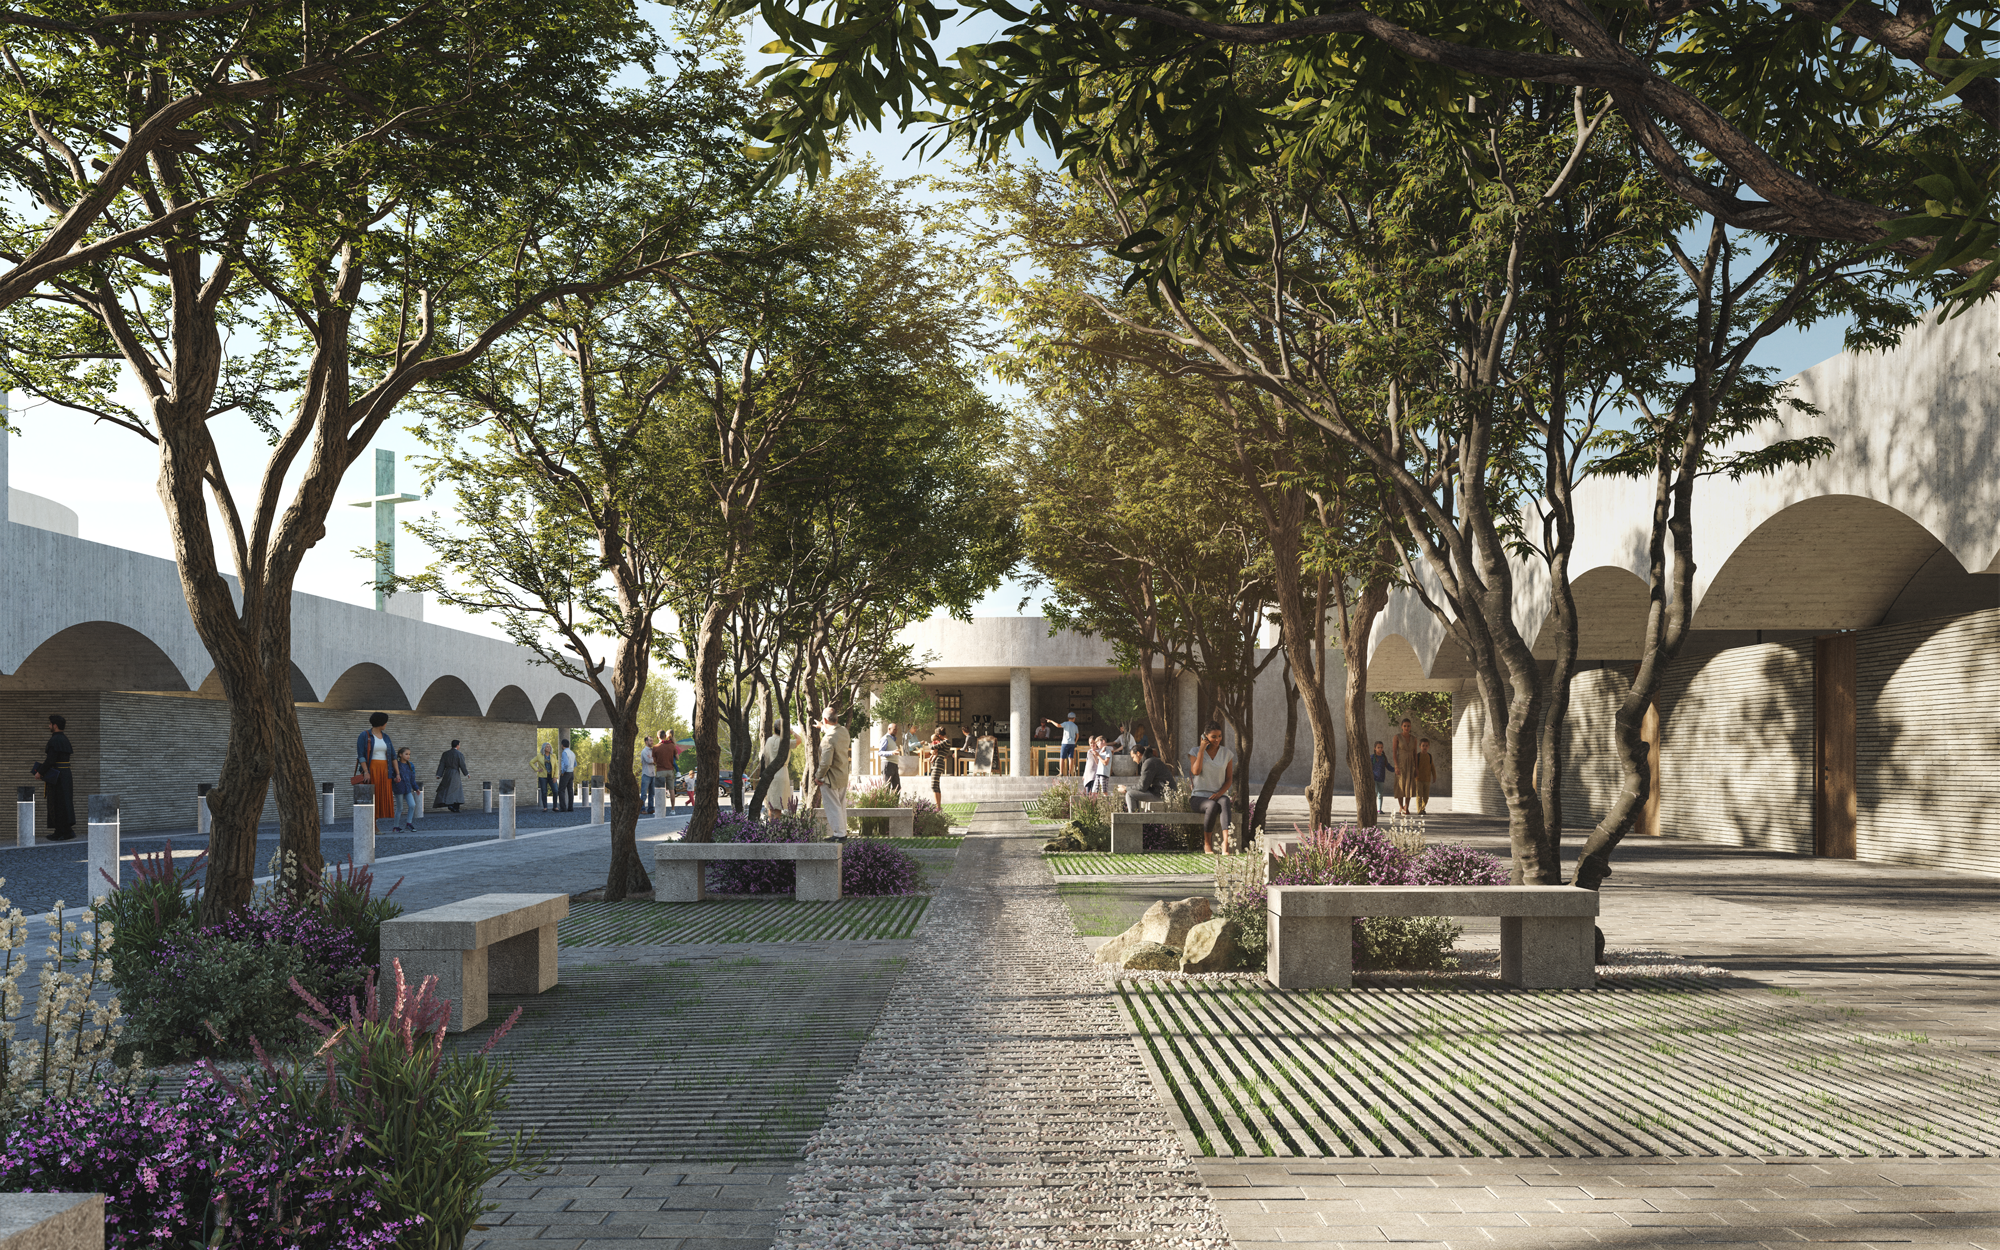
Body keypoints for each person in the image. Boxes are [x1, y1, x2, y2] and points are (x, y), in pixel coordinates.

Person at [1187, 725, 1236, 853]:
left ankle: (1226, 844)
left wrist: (1220, 793)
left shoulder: (1227, 754)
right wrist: (1201, 750)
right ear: (1205, 737)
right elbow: (1196, 772)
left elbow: (1229, 779)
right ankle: (1207, 843)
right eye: (1213, 737)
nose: (1217, 739)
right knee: (1211, 805)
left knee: (1225, 801)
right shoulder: (1194, 751)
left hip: (1218, 795)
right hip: (1199, 797)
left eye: (1219, 736)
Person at [31, 714, 76, 841]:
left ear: (55, 725)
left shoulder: (54, 740)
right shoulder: (65, 740)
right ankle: (67, 831)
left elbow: (50, 760)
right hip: (66, 775)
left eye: (50, 724)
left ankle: (60, 832)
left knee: (57, 803)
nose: (49, 726)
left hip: (57, 777)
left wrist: (40, 772)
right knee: (65, 802)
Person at [355, 712, 396, 827]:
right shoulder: (365, 735)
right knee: (374, 795)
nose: (386, 724)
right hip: (372, 769)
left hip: (385, 770)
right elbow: (361, 755)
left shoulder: (386, 737)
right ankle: (371, 825)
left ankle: (374, 822)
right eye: (385, 722)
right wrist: (366, 771)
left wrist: (397, 773)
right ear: (381, 723)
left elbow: (393, 755)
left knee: (382, 795)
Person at [816, 707, 851, 833]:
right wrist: (822, 727)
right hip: (842, 775)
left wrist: (818, 776)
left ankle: (839, 834)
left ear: (825, 719)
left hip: (830, 779)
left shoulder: (828, 738)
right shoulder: (844, 731)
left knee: (833, 808)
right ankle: (842, 833)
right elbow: (833, 732)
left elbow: (825, 762)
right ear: (837, 718)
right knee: (841, 807)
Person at [1123, 746, 1175, 812]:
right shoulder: (1151, 761)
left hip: (1163, 795)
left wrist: (1126, 788)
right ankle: (1137, 818)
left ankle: (1134, 821)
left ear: (1138, 753)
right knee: (1133, 793)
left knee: (1130, 794)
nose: (1133, 760)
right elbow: (1143, 785)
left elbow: (1142, 787)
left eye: (1133, 757)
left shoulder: (1148, 763)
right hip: (1162, 792)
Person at [760, 724, 794, 816]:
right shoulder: (785, 742)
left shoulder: (769, 741)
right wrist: (791, 732)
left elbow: (764, 757)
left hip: (770, 772)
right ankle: (777, 828)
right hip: (782, 772)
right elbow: (799, 740)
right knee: (779, 805)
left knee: (771, 805)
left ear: (774, 729)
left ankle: (771, 827)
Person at [1391, 718, 1421, 814]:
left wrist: (1416, 767)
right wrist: (1396, 766)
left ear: (1410, 726)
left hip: (1411, 765)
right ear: (1401, 726)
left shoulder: (1414, 739)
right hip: (1401, 764)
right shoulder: (1397, 737)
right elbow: (1394, 752)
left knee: (1409, 786)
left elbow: (1415, 753)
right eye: (1405, 726)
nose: (1406, 728)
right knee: (1400, 785)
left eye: (1408, 726)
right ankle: (1400, 807)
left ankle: (1406, 807)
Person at [434, 739, 468, 812]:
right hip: (455, 773)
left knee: (446, 788)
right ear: (457, 745)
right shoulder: (459, 754)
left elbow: (442, 764)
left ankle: (451, 805)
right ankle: (453, 806)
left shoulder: (445, 754)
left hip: (447, 773)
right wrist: (466, 773)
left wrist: (439, 774)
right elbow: (462, 765)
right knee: (456, 789)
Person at [390, 746, 419, 831]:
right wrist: (394, 779)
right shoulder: (396, 765)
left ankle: (409, 823)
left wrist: (416, 788)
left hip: (408, 789)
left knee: (412, 805)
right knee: (400, 808)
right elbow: (391, 776)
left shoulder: (411, 765)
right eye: (406, 754)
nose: (408, 756)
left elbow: (412, 778)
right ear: (400, 755)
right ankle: (396, 826)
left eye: (409, 754)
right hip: (399, 789)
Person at [922, 725, 949, 810]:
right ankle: (938, 807)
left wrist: (930, 743)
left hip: (938, 764)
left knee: (934, 785)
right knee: (935, 785)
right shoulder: (942, 742)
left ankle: (938, 807)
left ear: (939, 735)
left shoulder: (946, 742)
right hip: (935, 764)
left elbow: (932, 747)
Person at [654, 734, 679, 810]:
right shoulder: (672, 746)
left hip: (660, 771)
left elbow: (654, 761)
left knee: (660, 791)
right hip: (670, 770)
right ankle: (673, 809)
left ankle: (660, 809)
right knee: (671, 790)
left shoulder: (655, 747)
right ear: (665, 735)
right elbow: (677, 758)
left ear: (657, 737)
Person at [1370, 741, 1394, 816]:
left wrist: (1395, 770)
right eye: (1378, 747)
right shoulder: (1372, 757)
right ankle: (1372, 809)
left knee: (1380, 794)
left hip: (1381, 779)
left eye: (1381, 747)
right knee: (1374, 793)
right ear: (1375, 748)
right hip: (1373, 778)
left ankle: (1379, 809)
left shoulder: (1383, 758)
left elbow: (1388, 766)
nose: (1380, 749)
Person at [876, 722, 901, 792]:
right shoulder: (885, 739)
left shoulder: (892, 740)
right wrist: (892, 752)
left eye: (897, 730)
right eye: (894, 729)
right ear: (889, 729)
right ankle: (886, 802)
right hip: (888, 764)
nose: (896, 731)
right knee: (886, 787)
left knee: (897, 787)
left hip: (894, 765)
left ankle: (894, 803)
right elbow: (880, 752)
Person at [1414, 739, 1437, 814]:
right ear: (1420, 746)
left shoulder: (1429, 756)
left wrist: (1434, 776)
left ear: (1428, 747)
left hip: (1427, 779)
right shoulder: (1418, 756)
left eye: (1426, 746)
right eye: (1423, 745)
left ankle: (1422, 808)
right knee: (1419, 796)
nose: (1425, 747)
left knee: (1426, 797)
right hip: (1418, 779)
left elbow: (1432, 767)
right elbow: (1414, 767)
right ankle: (1419, 810)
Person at [534, 741, 556, 811]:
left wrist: (555, 776)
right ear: (544, 748)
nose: (549, 748)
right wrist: (537, 769)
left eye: (549, 746)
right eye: (547, 746)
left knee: (555, 790)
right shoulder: (539, 755)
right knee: (544, 792)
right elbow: (531, 762)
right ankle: (545, 807)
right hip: (543, 777)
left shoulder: (553, 756)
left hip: (552, 776)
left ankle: (555, 806)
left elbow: (556, 767)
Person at [640, 732, 658, 815]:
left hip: (653, 774)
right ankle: (642, 809)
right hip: (646, 775)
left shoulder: (653, 750)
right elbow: (649, 760)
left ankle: (651, 808)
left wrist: (654, 760)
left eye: (652, 741)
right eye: (650, 741)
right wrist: (654, 760)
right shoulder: (644, 751)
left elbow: (655, 760)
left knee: (652, 793)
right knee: (644, 794)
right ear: (646, 742)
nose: (652, 742)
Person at [557, 737, 576, 812]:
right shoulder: (572, 753)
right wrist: (571, 769)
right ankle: (570, 807)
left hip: (566, 773)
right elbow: (575, 763)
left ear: (562, 745)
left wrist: (563, 771)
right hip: (571, 772)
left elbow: (566, 764)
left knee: (561, 790)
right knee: (570, 790)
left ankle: (563, 808)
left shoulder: (564, 753)